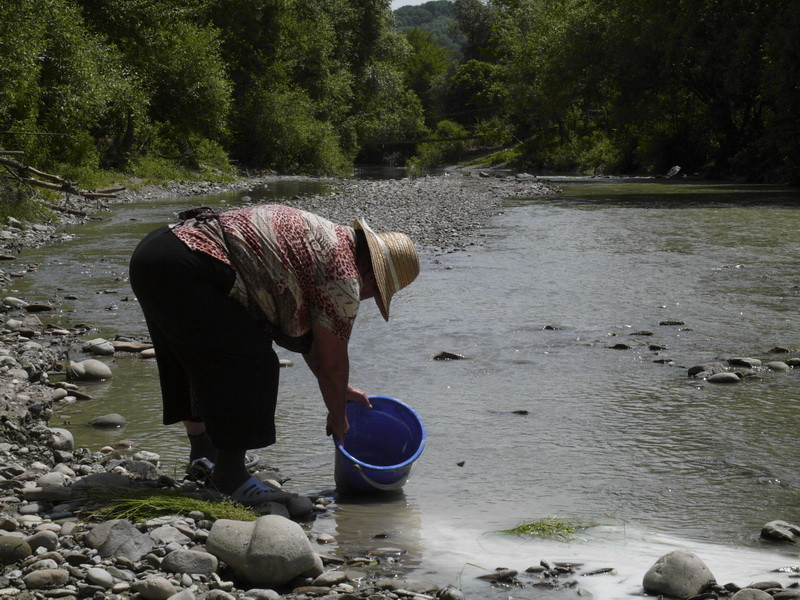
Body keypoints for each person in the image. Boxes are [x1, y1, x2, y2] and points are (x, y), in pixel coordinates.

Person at [128, 204, 419, 505]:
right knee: (253, 363)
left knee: (193, 355)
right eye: (377, 292)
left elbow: (313, 343)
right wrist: (339, 419)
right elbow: (332, 365)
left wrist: (339, 392)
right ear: (371, 276)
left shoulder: (332, 240)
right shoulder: (344, 277)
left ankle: (203, 455)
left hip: (157, 254)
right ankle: (230, 475)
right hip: (190, 265)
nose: (367, 296)